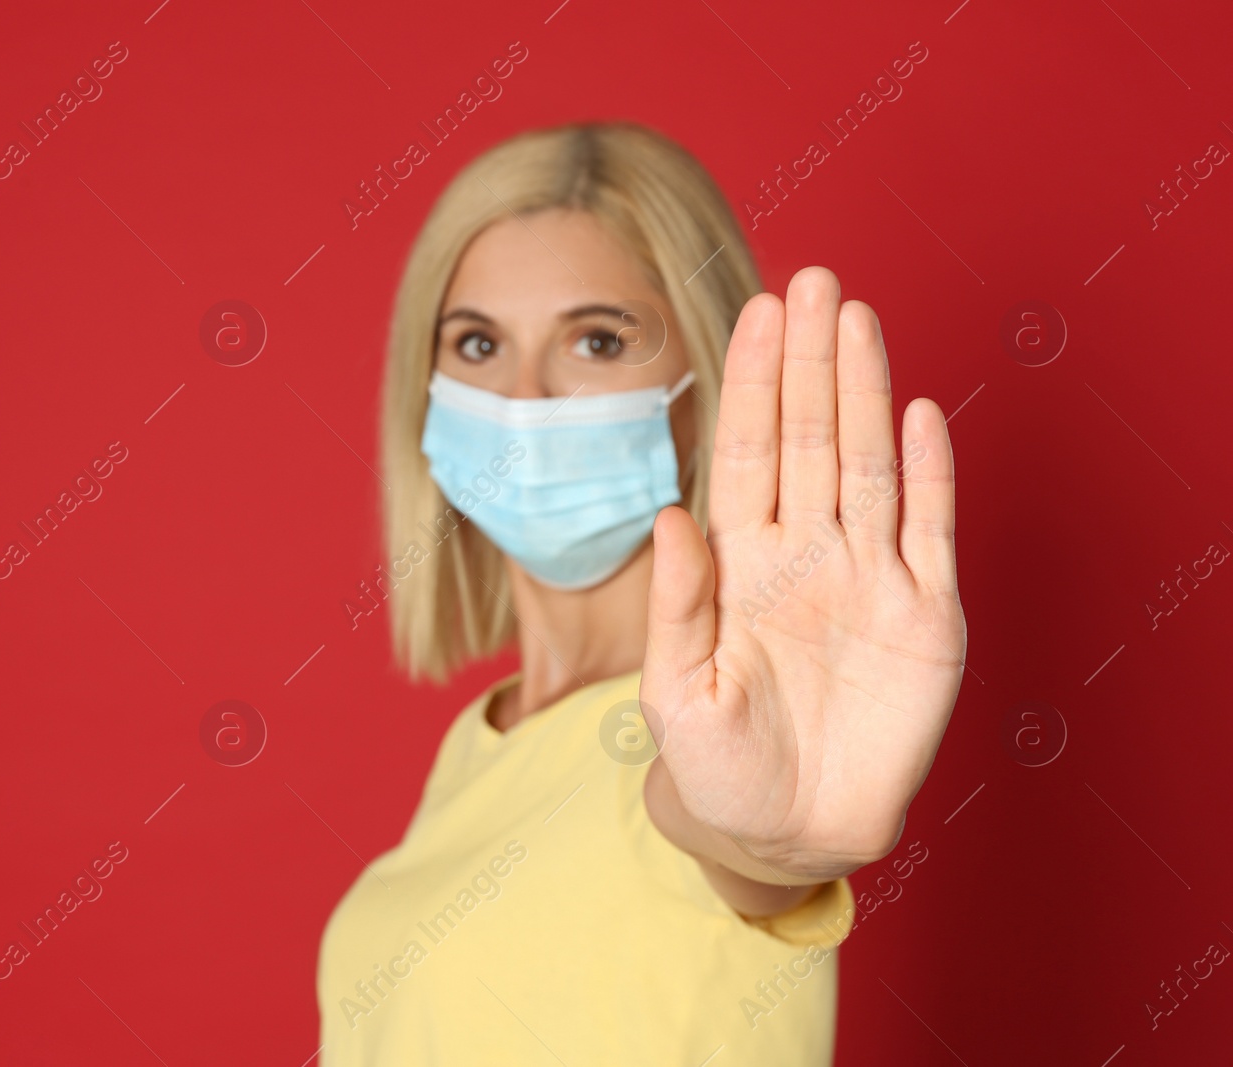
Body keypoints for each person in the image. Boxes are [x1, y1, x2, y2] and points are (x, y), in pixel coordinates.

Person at [317, 121, 965, 1065]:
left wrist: (775, 842)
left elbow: (726, 822)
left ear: (707, 386)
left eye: (595, 339)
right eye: (477, 342)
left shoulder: (711, 731)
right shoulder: (482, 740)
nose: (526, 398)